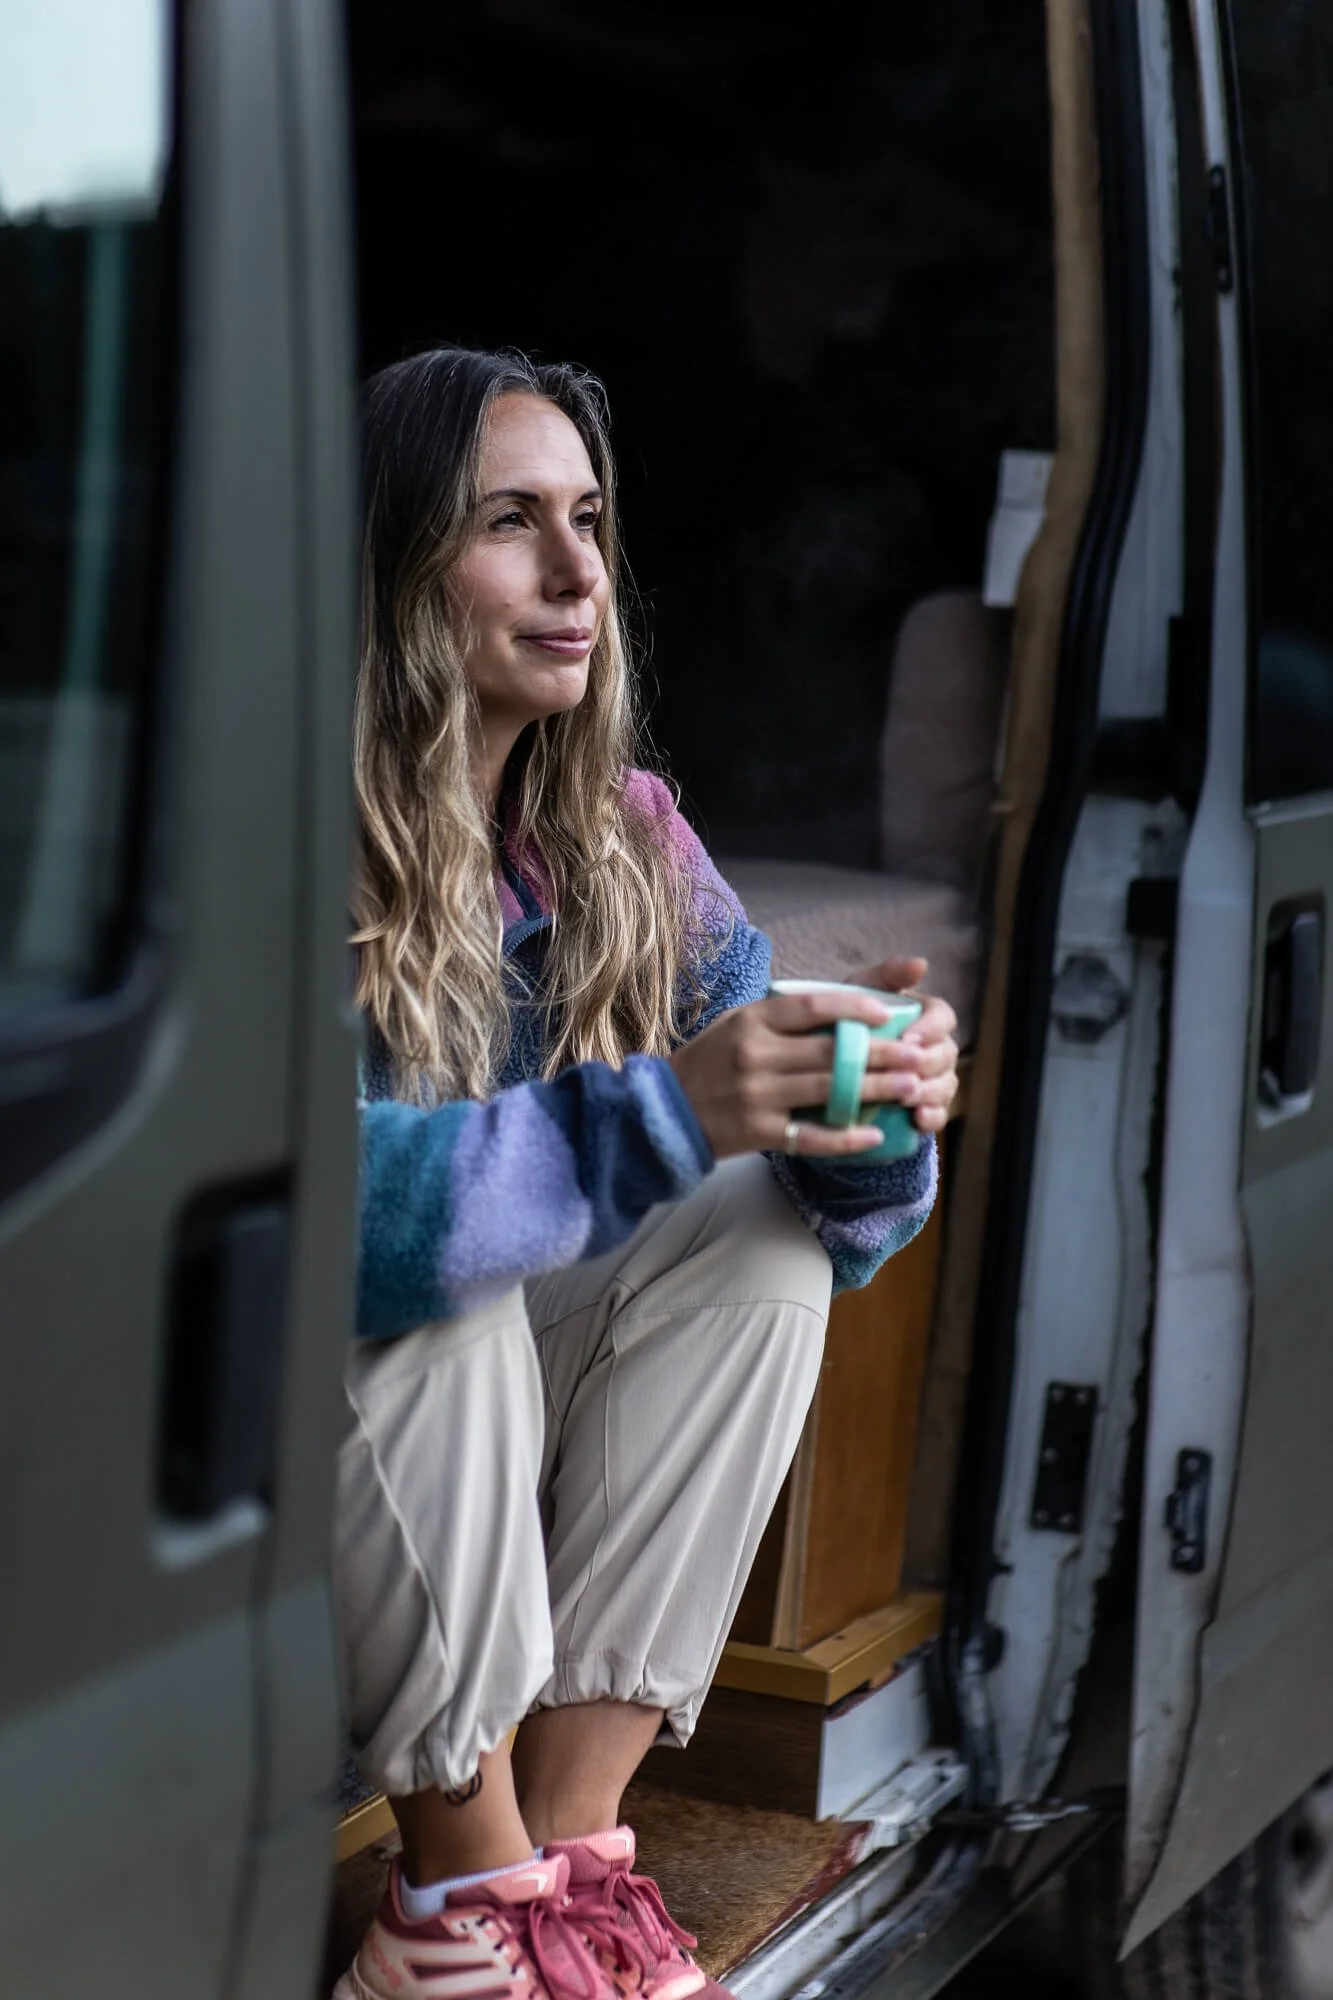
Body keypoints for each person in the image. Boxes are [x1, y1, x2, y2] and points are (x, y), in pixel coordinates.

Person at [333, 346, 959, 2000]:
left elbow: (850, 1221)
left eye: (592, 521)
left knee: (759, 1234)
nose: (577, 572)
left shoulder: (617, 833)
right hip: (254, 1463)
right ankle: (455, 1892)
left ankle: (567, 1862)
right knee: (445, 1269)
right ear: (397, 567)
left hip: (454, 1481)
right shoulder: (280, 832)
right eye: (511, 523)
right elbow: (322, 1224)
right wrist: (666, 1112)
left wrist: (873, 1107)